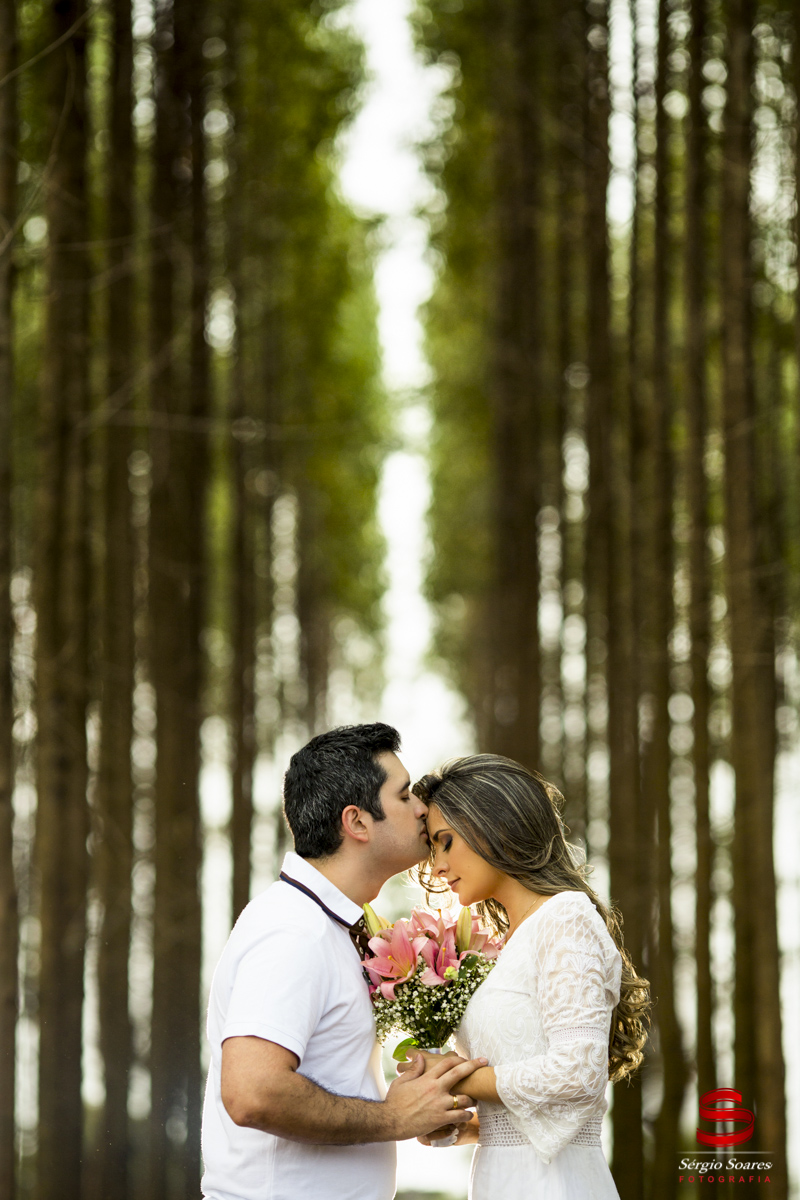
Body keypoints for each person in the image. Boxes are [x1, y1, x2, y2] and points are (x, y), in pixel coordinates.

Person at [201, 722, 487, 1200]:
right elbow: (252, 1092)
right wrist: (394, 1117)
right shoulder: (292, 929)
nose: (423, 810)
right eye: (404, 797)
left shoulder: (327, 926)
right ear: (356, 822)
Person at [399, 753, 650, 1200]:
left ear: (493, 825)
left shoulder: (566, 917)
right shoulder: (504, 944)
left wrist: (453, 1076)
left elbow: (578, 1072)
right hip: (501, 1181)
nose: (436, 866)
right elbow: (521, 1122)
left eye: (446, 841)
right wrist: (452, 1123)